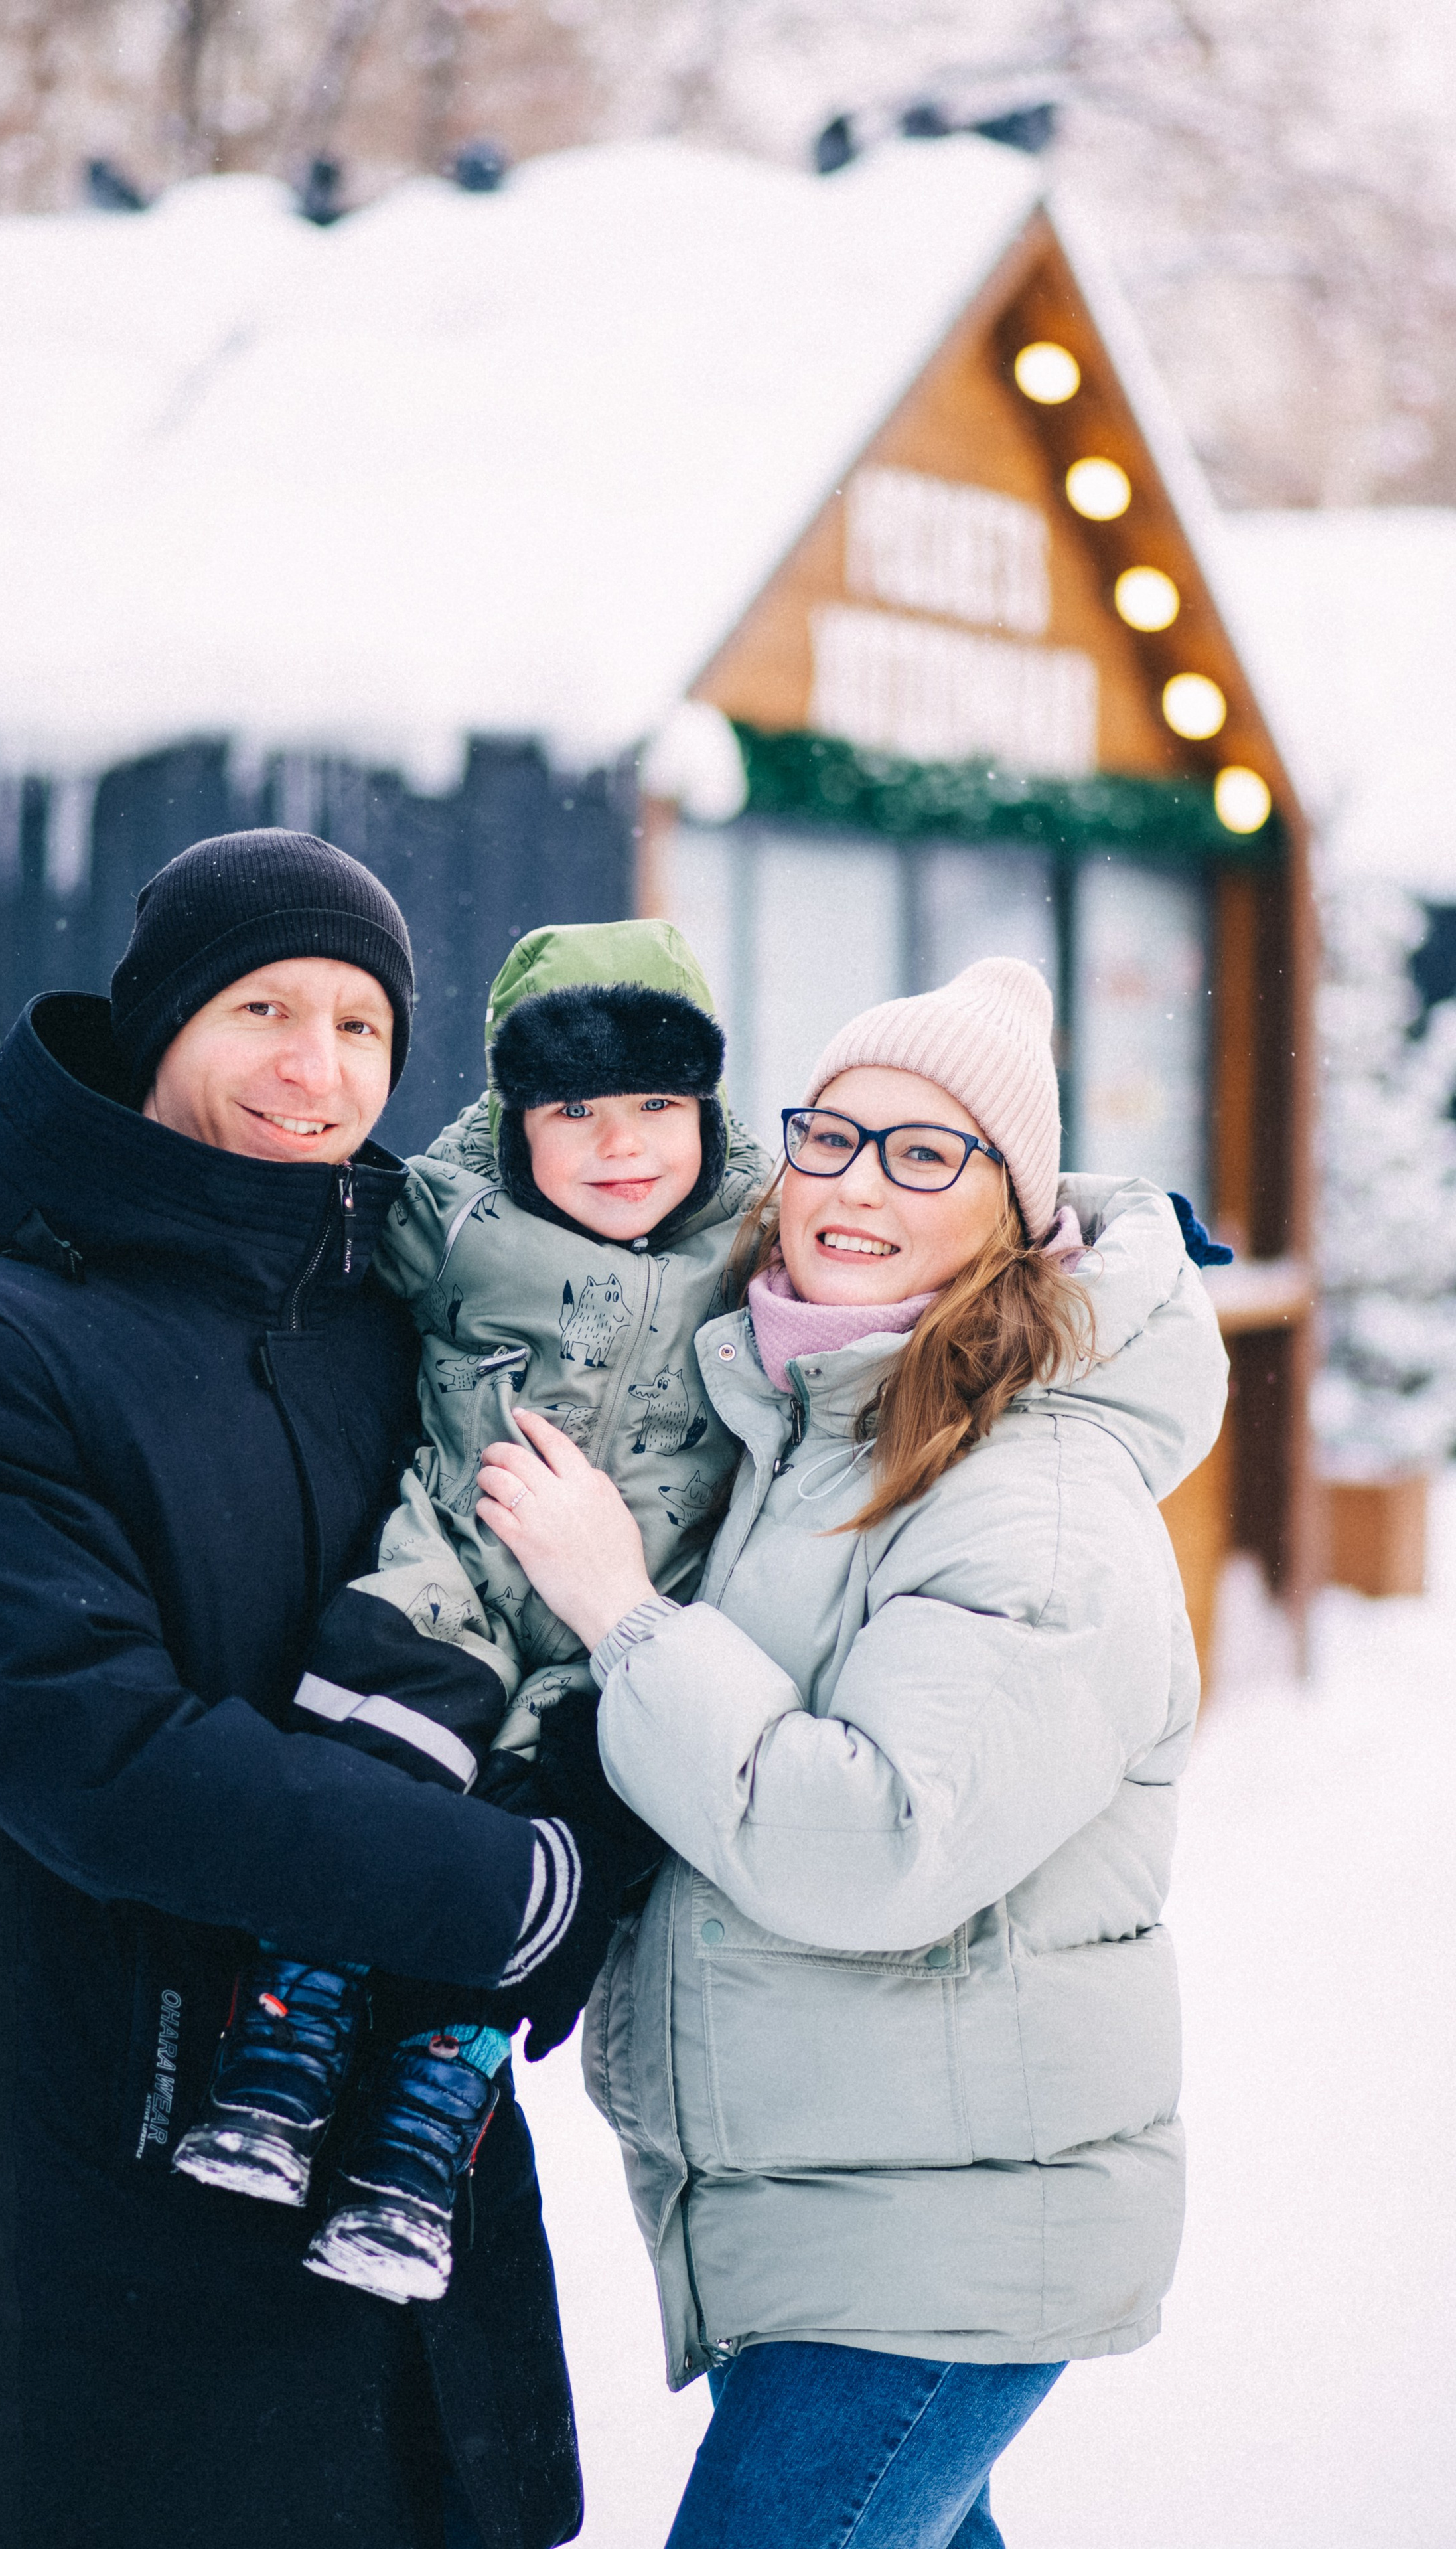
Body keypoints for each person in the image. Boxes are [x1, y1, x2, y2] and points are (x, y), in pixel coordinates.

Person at [0, 830, 618, 2549]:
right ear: (160, 1024)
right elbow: (97, 1755)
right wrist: (507, 1892)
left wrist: (581, 1853)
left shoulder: (402, 1327)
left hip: (419, 2217)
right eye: (262, 1008)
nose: (313, 1067)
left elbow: (523, 1634)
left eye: (360, 1025)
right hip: (123, 2221)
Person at [470, 957, 1232, 2549]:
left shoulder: (1030, 1494)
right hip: (845, 2208)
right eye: (828, 1135)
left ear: (1015, 1211)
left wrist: (620, 1610)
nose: (855, 1185)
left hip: (939, 2239)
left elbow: (871, 1844)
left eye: (925, 1152)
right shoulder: (810, 1420)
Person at [171, 919, 770, 2309]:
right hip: (447, 1576)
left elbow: (918, 1226)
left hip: (617, 1638)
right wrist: (95, 1166)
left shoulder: (765, 1233)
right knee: (372, 1782)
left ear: (707, 1107)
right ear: (514, 1120)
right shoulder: (451, 1215)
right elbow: (271, 1226)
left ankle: (421, 2132)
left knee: (532, 1857)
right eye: (572, 1110)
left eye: (656, 1104)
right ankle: (289, 2041)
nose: (619, 1145)